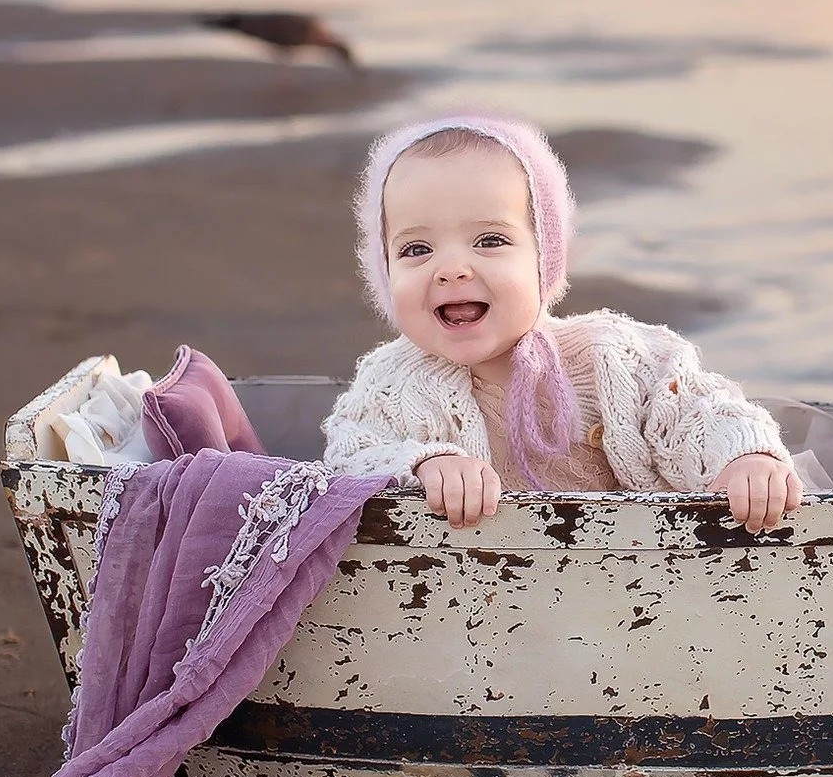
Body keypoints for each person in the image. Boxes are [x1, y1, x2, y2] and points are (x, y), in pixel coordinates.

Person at [319, 111, 803, 533]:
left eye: (489, 241)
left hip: (638, 579)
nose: (451, 268)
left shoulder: (612, 356)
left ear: (544, 257)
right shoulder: (391, 380)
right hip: (470, 596)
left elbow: (701, 411)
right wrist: (423, 462)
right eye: (416, 249)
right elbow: (350, 458)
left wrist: (744, 456)